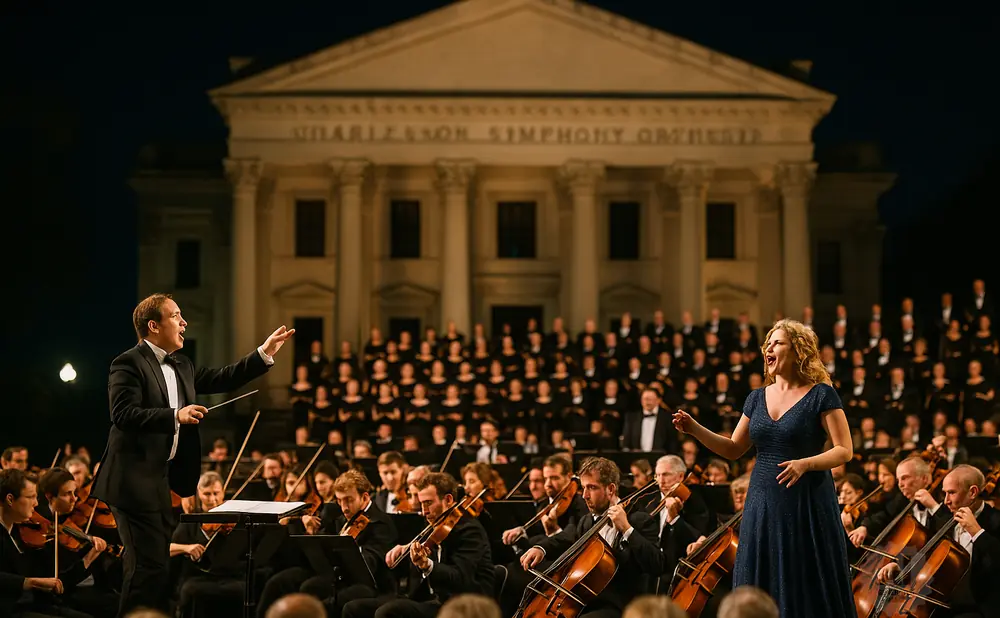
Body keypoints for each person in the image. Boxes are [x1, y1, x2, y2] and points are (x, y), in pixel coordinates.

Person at [90, 293, 294, 617]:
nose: (184, 322)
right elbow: (123, 414)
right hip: (130, 482)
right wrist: (176, 415)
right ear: (153, 326)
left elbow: (223, 377)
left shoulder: (182, 364)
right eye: (176, 316)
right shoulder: (128, 363)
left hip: (159, 480)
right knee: (144, 570)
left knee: (158, 571)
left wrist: (263, 354)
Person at [672, 319, 854, 617]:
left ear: (797, 351)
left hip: (805, 501)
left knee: (802, 579)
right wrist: (694, 429)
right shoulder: (756, 397)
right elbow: (733, 448)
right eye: (767, 343)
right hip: (762, 500)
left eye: (777, 342)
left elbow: (844, 450)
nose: (769, 348)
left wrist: (806, 464)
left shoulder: (822, 394)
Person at [519, 457, 662, 618]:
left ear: (610, 489)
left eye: (592, 488)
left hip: (620, 606)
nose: (585, 495)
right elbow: (565, 537)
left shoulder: (638, 519)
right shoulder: (586, 521)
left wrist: (627, 529)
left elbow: (656, 564)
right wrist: (540, 548)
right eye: (583, 488)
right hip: (586, 601)